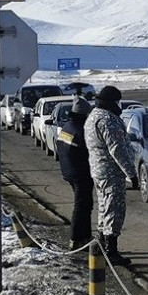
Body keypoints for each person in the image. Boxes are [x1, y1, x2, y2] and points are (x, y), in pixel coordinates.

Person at [84, 85, 138, 266]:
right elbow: (118, 150)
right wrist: (132, 174)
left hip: (99, 171)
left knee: (104, 208)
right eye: (117, 101)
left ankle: (101, 245)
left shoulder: (93, 116)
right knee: (113, 209)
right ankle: (111, 251)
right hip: (111, 173)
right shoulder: (107, 120)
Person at [56, 96, 94, 251]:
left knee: (85, 204)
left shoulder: (67, 127)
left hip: (70, 171)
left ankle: (85, 237)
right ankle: (75, 239)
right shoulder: (80, 131)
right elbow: (88, 154)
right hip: (81, 174)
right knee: (82, 206)